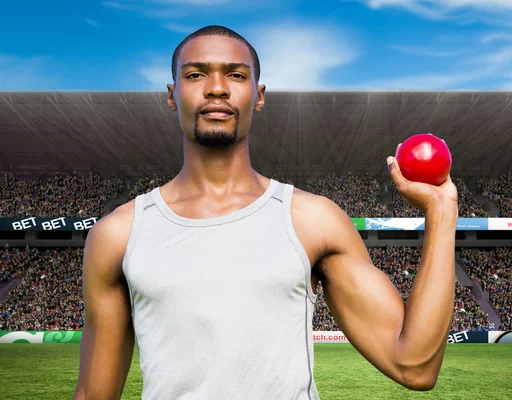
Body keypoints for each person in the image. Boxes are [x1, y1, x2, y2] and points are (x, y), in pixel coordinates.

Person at [73, 25, 458, 400]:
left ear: (258, 95)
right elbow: (94, 393)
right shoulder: (119, 233)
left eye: (236, 75)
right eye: (196, 74)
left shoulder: (313, 220)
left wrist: (442, 212)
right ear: (172, 94)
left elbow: (414, 366)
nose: (218, 87)